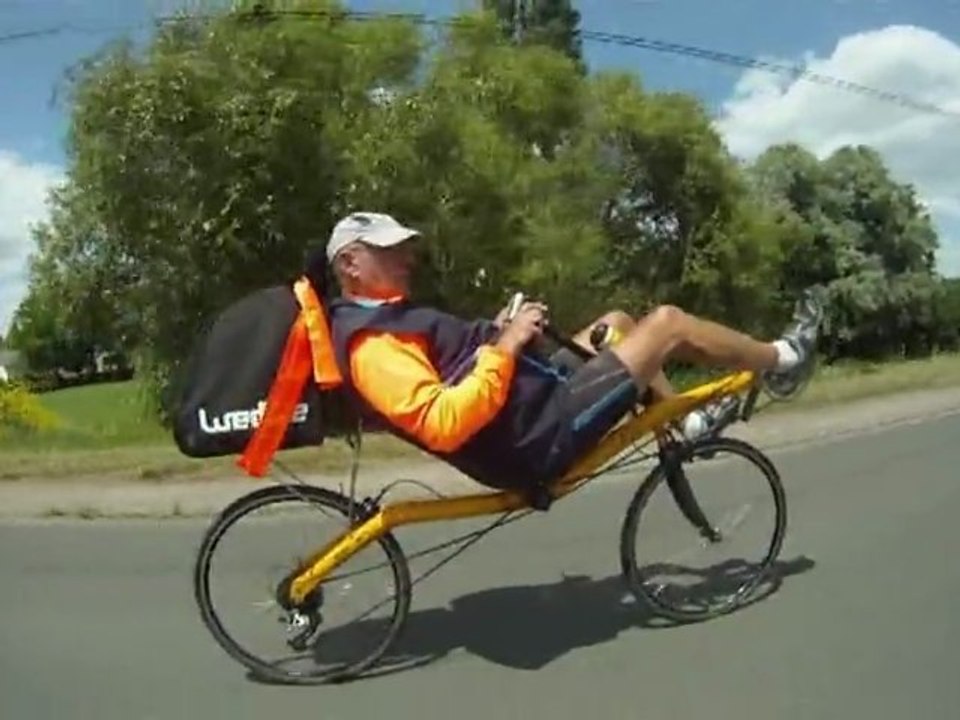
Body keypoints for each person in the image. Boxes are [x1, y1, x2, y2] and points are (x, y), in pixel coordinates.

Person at [319, 211, 821, 491]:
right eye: (389, 250)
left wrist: (502, 335)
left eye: (403, 247)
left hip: (526, 407)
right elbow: (443, 421)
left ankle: (684, 423)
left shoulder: (389, 317)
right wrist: (508, 345)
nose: (406, 257)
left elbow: (457, 370)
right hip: (532, 440)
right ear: (350, 264)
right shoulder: (372, 343)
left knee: (618, 324)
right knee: (667, 324)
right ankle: (784, 360)